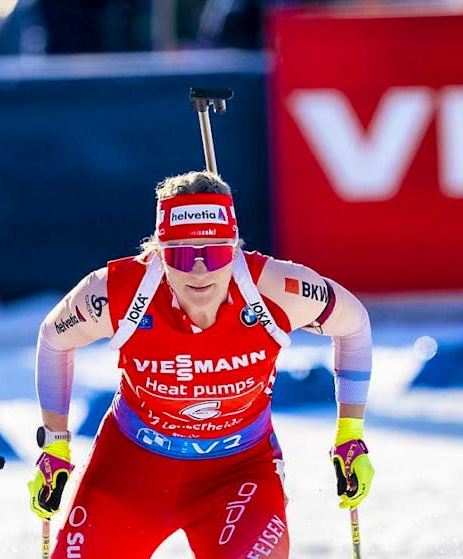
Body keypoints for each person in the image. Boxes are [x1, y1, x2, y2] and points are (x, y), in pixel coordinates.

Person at [27, 171, 374, 558]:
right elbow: (53, 339)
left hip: (238, 474)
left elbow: (354, 324)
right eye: (180, 254)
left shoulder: (277, 288)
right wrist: (55, 444)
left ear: (235, 247)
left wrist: (350, 433)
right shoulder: (114, 292)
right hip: (131, 470)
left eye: (214, 253)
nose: (199, 271)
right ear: (158, 250)